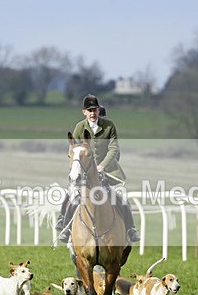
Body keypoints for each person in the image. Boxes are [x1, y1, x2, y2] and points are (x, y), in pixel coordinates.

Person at [56, 94, 140, 243]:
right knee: (71, 196)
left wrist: (102, 166)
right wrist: (76, 168)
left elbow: (113, 149)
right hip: (85, 173)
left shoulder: (109, 126)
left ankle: (131, 229)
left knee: (120, 198)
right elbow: (74, 148)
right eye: (89, 110)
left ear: (99, 110)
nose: (92, 113)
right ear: (84, 112)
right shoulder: (79, 127)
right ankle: (64, 225)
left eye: (94, 110)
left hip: (106, 172)